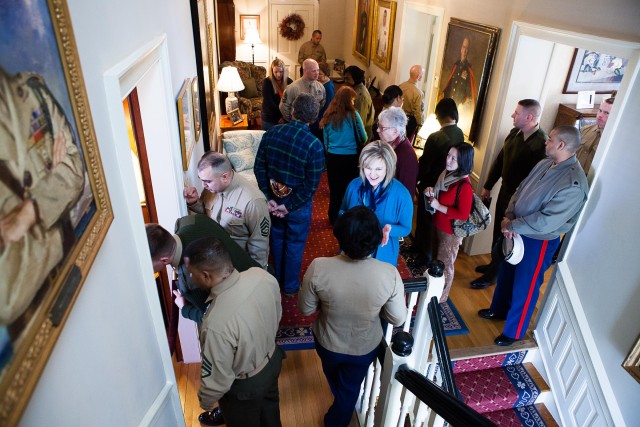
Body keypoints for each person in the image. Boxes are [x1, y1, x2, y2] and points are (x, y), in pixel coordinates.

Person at [478, 126, 589, 346]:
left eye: (550, 140)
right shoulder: (544, 163)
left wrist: (513, 225)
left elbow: (548, 220)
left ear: (561, 145)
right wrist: (509, 216)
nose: (546, 142)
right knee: (507, 272)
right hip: (515, 228)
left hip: (538, 241)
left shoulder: (573, 183)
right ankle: (498, 309)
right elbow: (519, 190)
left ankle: (514, 331)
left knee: (525, 286)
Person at [146, 216, 260, 427]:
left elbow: (214, 317)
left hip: (241, 317)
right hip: (256, 284)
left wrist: (185, 308)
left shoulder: (192, 281)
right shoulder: (187, 222)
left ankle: (231, 410)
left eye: (148, 264)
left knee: (227, 373)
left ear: (162, 261)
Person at [298, 206, 406, 427]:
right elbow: (397, 319)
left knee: (339, 383)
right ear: (376, 239)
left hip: (327, 342)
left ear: (340, 237)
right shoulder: (388, 273)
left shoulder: (319, 266)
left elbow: (306, 309)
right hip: (364, 346)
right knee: (349, 389)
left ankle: (336, 417)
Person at [0, 68, 84, 327]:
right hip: (31, 321)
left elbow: (75, 170)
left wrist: (30, 211)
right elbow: (8, 302)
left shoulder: (32, 92)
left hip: (74, 262)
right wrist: (53, 188)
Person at [183, 237, 284, 427]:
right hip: (273, 360)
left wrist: (205, 402)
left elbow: (217, 377)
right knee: (271, 417)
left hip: (246, 387)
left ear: (206, 275)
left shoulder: (215, 323)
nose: (190, 278)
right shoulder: (261, 276)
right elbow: (277, 314)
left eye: (191, 273)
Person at [470, 99, 547, 290]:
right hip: (505, 190)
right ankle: (493, 264)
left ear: (529, 117)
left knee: (506, 234)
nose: (512, 115)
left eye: (516, 113)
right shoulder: (514, 133)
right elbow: (500, 161)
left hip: (520, 200)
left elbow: (536, 182)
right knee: (497, 230)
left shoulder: (541, 145)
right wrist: (488, 186)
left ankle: (495, 274)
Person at [254, 93, 324, 297]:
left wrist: (271, 199)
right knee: (294, 245)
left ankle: (275, 282)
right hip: (298, 207)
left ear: (292, 111)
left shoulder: (271, 134)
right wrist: (288, 206)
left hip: (273, 202)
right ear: (313, 119)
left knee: (275, 239)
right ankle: (291, 287)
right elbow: (312, 186)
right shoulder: (314, 146)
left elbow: (259, 168)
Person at [184, 152, 270, 268]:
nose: (203, 185)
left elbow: (259, 245)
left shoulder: (253, 201)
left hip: (238, 263)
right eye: (201, 179)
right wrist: (194, 202)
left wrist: (257, 274)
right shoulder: (212, 187)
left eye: (207, 181)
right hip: (215, 259)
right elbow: (208, 214)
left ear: (225, 177)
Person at [340, 141, 413, 267]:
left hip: (382, 254)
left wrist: (390, 229)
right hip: (352, 249)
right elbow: (342, 211)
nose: (372, 174)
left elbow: (406, 228)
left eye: (378, 169)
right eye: (368, 168)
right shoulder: (354, 185)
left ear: (388, 168)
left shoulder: (402, 194)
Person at [410, 98, 465, 267]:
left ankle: (422, 253)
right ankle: (425, 251)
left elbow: (425, 164)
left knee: (424, 221)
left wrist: (416, 181)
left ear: (440, 115)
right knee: (432, 222)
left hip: (430, 185)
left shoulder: (436, 137)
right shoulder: (460, 133)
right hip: (446, 186)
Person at [423, 143, 474, 302]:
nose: (449, 160)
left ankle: (440, 299)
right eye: (448, 155)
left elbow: (463, 215)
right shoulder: (446, 175)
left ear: (463, 162)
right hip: (438, 225)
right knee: (436, 260)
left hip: (451, 233)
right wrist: (430, 191)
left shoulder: (464, 185)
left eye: (454, 158)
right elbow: (439, 196)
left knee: (445, 266)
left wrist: (439, 206)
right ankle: (431, 290)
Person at [320, 86, 367, 224]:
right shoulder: (353, 115)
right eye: (352, 100)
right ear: (348, 101)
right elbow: (363, 137)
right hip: (351, 158)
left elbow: (326, 141)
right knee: (351, 189)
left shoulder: (328, 116)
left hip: (333, 158)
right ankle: (349, 217)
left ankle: (333, 217)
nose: (353, 103)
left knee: (335, 190)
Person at [376, 107, 418, 195]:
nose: (377, 130)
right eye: (378, 125)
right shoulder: (390, 145)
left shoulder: (406, 156)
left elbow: (407, 193)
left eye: (382, 128)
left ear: (395, 131)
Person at [279, 58, 325, 126]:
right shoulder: (292, 88)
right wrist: (291, 120)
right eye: (314, 71)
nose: (317, 73)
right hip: (297, 125)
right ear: (305, 71)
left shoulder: (321, 87)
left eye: (318, 70)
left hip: (314, 124)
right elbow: (283, 107)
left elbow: (321, 103)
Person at [575, 96, 614, 173]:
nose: (600, 115)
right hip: (573, 173)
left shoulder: (611, 140)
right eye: (600, 110)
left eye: (606, 113)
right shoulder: (585, 129)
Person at [441, 36, 476, 109]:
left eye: (467, 48)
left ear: (468, 51)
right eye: (463, 47)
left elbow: (469, 95)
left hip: (458, 107)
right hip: (449, 104)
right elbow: (450, 85)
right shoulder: (456, 65)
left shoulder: (469, 70)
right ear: (461, 48)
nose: (465, 50)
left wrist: (462, 104)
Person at [261, 58, 292, 131]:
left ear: (284, 71)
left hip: (285, 117)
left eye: (280, 72)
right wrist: (279, 117)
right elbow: (269, 103)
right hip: (270, 117)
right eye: (275, 72)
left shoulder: (289, 81)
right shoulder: (267, 82)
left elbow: (292, 100)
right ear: (272, 71)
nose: (278, 75)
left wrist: (284, 117)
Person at [344, 65, 374, 140]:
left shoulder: (361, 95)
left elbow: (360, 121)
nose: (345, 81)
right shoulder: (355, 90)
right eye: (344, 78)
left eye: (348, 78)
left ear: (356, 77)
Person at [399, 65, 425, 139]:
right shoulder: (418, 93)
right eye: (422, 75)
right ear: (418, 76)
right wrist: (420, 125)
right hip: (410, 122)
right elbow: (418, 112)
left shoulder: (401, 86)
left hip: (398, 116)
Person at [316, 62, 335, 129]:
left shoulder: (328, 87)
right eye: (317, 73)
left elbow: (328, 106)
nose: (317, 76)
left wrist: (323, 119)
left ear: (326, 74)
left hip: (322, 117)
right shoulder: (321, 83)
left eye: (320, 74)